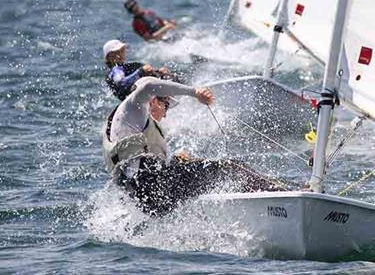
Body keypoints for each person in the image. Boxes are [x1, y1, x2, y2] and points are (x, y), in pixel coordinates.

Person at [102, 76, 285, 217]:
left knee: (212, 172)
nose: (165, 114)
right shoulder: (134, 106)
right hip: (155, 188)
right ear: (154, 101)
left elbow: (140, 164)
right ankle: (281, 195)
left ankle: (272, 192)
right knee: (229, 169)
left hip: (146, 198)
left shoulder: (130, 122)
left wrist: (174, 160)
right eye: (166, 106)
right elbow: (149, 87)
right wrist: (194, 92)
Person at [103, 39, 176, 99]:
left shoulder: (124, 67)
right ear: (110, 56)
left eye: (122, 50)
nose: (122, 53)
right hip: (133, 100)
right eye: (119, 51)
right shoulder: (116, 70)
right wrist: (141, 71)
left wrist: (157, 71)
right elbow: (121, 83)